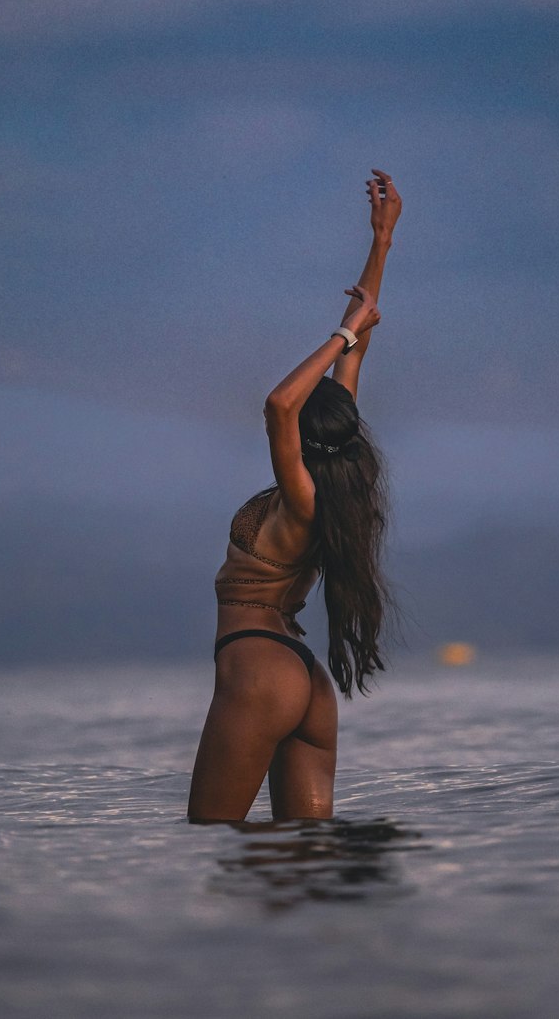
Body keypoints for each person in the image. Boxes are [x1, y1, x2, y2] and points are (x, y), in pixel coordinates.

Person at [187, 168, 402, 823]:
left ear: (303, 442)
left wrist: (340, 335)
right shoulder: (338, 484)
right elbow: (355, 356)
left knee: (211, 840)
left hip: (257, 671)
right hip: (306, 683)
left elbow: (281, 404)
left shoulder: (302, 493)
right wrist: (382, 242)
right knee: (304, 862)